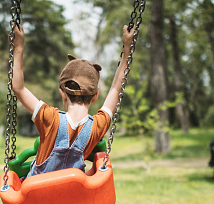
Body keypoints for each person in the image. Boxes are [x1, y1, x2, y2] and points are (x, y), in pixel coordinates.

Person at [11, 24, 135, 177]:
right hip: (71, 198)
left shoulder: (49, 118)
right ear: (95, 96)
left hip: (37, 197)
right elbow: (116, 88)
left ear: (62, 93)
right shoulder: (97, 126)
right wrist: (127, 49)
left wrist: (18, 47)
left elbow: (18, 88)